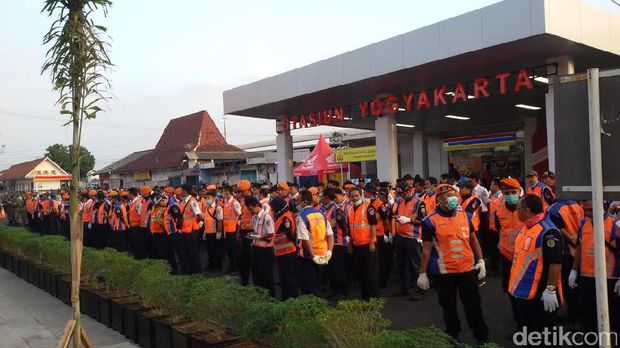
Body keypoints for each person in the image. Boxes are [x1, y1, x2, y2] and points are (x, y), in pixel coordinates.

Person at [418, 183, 488, 344]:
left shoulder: (465, 216)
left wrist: (481, 261)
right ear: (439, 200)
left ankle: (482, 338)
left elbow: (473, 240)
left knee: (473, 307)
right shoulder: (429, 221)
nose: (451, 199)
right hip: (444, 273)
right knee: (448, 309)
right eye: (447, 196)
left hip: (467, 270)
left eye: (453, 195)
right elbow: (427, 250)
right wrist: (422, 273)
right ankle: (453, 337)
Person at [509, 194, 563, 333]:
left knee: (543, 335)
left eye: (518, 208)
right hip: (523, 291)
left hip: (540, 293)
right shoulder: (527, 227)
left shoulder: (548, 231)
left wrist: (550, 289)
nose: (516, 211)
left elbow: (555, 262)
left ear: (527, 210)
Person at [569, 199, 619, 338]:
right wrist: (574, 270)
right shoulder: (584, 223)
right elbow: (580, 246)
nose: (588, 213)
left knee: (611, 319)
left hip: (609, 278)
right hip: (587, 277)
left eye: (591, 209)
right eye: (585, 210)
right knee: (587, 317)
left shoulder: (614, 225)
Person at [489, 178, 524, 329]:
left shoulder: (527, 208)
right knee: (511, 292)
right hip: (507, 256)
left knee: (526, 292)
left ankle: (528, 325)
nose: (510, 195)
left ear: (519, 192)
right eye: (506, 193)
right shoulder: (498, 209)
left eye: (513, 192)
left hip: (525, 258)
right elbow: (497, 229)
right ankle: (519, 324)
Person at [546, 198, 585, 323]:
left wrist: (573, 242)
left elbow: (560, 230)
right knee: (579, 284)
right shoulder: (576, 205)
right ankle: (579, 314)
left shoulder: (554, 209)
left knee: (569, 285)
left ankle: (574, 315)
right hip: (581, 249)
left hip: (568, 251)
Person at [295, 190, 334, 296]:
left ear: (304, 201)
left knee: (308, 286)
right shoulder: (321, 214)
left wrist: (312, 256)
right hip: (323, 253)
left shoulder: (301, 217)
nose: (297, 203)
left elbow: (305, 239)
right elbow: (330, 234)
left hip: (308, 256)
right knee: (318, 284)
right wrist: (329, 251)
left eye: (298, 201)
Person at [394, 183, 427, 300]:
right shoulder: (400, 201)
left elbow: (424, 221)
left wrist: (409, 220)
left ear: (410, 191)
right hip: (401, 236)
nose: (401, 196)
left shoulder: (419, 203)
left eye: (403, 193)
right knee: (401, 264)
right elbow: (397, 214)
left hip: (413, 237)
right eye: (399, 194)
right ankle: (405, 286)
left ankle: (420, 289)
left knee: (416, 265)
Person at [348, 187, 379, 300]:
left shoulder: (368, 207)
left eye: (357, 195)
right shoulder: (350, 209)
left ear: (361, 195)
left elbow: (373, 225)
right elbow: (351, 228)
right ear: (349, 197)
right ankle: (365, 297)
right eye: (352, 196)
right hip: (357, 246)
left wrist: (371, 243)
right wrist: (350, 244)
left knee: (370, 273)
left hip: (368, 245)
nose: (355, 198)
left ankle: (373, 299)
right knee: (361, 273)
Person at [270, 197, 299, 300]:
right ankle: (286, 296)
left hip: (288, 251)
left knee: (289, 277)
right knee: (284, 277)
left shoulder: (285, 217)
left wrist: (295, 243)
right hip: (282, 252)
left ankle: (292, 298)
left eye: (273, 207)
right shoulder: (280, 216)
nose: (272, 210)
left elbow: (289, 233)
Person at [323, 187, 350, 300]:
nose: (321, 199)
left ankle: (342, 292)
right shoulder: (325, 209)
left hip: (338, 243)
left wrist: (345, 237)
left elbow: (343, 225)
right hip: (329, 244)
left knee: (338, 269)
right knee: (331, 269)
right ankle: (334, 290)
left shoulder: (336, 210)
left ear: (326, 198)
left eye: (322, 197)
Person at [365, 183, 392, 290]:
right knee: (373, 262)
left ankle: (382, 283)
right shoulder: (366, 203)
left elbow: (386, 221)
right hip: (370, 235)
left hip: (379, 235)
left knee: (380, 261)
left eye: (365, 191)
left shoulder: (379, 204)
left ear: (369, 192)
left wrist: (387, 233)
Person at [247, 196, 276, 297]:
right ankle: (259, 294)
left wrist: (259, 237)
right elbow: (255, 231)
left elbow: (271, 233)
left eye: (250, 208)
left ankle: (271, 296)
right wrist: (253, 236)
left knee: (266, 274)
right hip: (256, 247)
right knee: (256, 272)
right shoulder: (254, 217)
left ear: (254, 206)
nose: (250, 211)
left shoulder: (266, 216)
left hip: (266, 249)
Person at [176, 183, 204, 275]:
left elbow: (199, 215)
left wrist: (199, 222)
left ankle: (196, 272)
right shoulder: (184, 201)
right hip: (185, 230)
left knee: (193, 253)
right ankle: (190, 271)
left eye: (181, 190)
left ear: (185, 191)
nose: (180, 192)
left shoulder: (192, 202)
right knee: (187, 252)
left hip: (191, 231)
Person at [237, 180, 254, 285]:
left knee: (250, 257)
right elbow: (242, 217)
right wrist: (239, 231)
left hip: (250, 232)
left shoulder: (252, 202)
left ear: (247, 190)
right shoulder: (243, 201)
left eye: (241, 191)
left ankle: (251, 280)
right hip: (243, 231)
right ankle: (244, 279)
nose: (240, 193)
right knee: (243, 257)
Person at [202, 190, 224, 271]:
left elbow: (220, 220)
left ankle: (218, 266)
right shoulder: (206, 208)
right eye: (206, 198)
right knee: (209, 251)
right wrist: (204, 231)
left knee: (216, 251)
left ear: (214, 198)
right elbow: (206, 221)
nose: (207, 199)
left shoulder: (218, 208)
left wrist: (218, 232)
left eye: (209, 198)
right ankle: (211, 265)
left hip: (214, 233)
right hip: (208, 232)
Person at [222, 185, 241, 273]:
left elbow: (240, 215)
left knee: (233, 250)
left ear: (228, 192)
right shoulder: (225, 202)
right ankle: (232, 267)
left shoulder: (235, 202)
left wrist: (238, 227)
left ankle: (234, 268)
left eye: (224, 191)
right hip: (227, 230)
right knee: (229, 250)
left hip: (233, 230)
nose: (223, 193)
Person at [127, 188, 146, 258]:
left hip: (137, 226)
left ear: (131, 194)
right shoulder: (133, 202)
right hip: (133, 225)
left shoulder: (137, 202)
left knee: (138, 242)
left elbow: (141, 214)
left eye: (128, 193)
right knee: (134, 242)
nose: (127, 194)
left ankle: (139, 256)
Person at [149, 193, 168, 260]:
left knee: (162, 250)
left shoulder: (165, 209)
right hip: (155, 232)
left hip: (162, 232)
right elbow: (152, 220)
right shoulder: (154, 208)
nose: (163, 201)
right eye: (161, 200)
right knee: (157, 250)